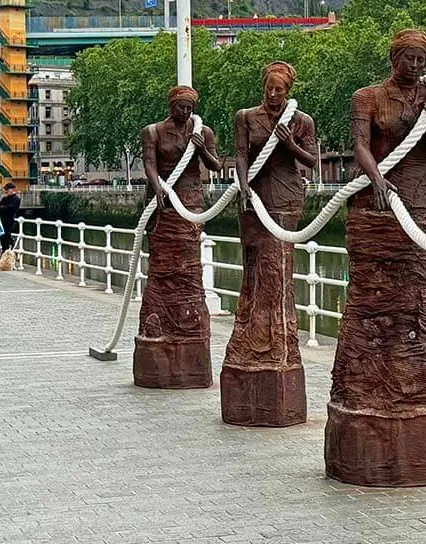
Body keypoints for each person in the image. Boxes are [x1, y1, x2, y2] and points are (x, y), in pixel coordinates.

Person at [325, 28, 426, 487]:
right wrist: (377, 178)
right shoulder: (368, 97)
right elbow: (362, 144)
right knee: (371, 302)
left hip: (417, 205)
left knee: (413, 305)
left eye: (422, 59)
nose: (416, 66)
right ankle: (365, 390)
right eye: (409, 58)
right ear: (394, 57)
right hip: (374, 203)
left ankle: (410, 392)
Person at [221, 61, 317, 427]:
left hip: (285, 196)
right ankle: (249, 338)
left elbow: (312, 161)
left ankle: (276, 343)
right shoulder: (246, 116)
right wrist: (243, 187)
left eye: (280, 89)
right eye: (269, 88)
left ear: (288, 90)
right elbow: (242, 155)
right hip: (253, 196)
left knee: (278, 269)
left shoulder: (301, 121)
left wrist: (289, 141)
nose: (273, 94)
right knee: (253, 268)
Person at [135, 85, 223, 389]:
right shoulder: (154, 131)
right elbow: (149, 162)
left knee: (187, 268)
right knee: (163, 265)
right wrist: (157, 186)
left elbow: (216, 164)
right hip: (163, 201)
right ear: (171, 105)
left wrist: (201, 148)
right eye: (180, 108)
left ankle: (188, 330)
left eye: (189, 108)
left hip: (189, 200)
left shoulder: (203, 131)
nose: (184, 113)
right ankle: (159, 323)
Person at [0, 182, 20, 251]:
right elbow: (0, 207)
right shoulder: (4, 199)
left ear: (12, 189)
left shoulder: (16, 199)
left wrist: (1, 208)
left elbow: (11, 208)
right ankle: (5, 250)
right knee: (2, 238)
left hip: (10, 221)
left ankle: (8, 248)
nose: (6, 191)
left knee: (6, 237)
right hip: (2, 221)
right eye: (6, 190)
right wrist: (0, 207)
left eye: (7, 189)